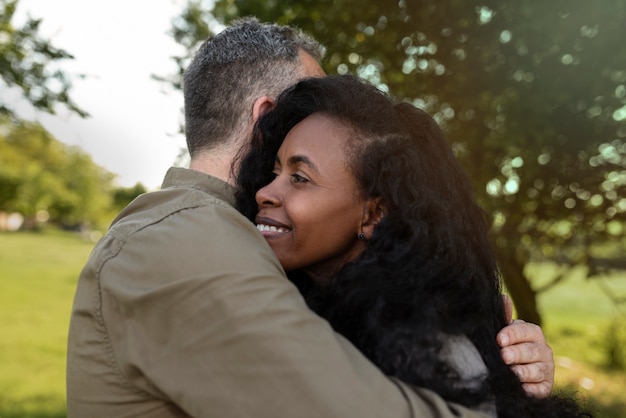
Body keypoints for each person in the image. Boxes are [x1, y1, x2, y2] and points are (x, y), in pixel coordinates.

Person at [66, 17, 554, 417]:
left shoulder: (256, 251)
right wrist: (496, 397)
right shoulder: (190, 241)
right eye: (308, 104)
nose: (322, 118)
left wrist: (499, 360)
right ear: (267, 119)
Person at [235, 74, 591, 417]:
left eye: (299, 178)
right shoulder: (286, 299)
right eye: (274, 172)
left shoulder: (426, 358)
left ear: (374, 216)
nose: (265, 193)